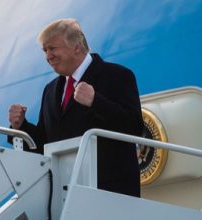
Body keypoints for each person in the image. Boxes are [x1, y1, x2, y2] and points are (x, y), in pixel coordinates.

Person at [8, 18, 143, 197]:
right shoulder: (50, 91)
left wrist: (96, 102)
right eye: (45, 50)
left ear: (77, 47)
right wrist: (21, 128)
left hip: (111, 196)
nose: (48, 56)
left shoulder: (117, 75)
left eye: (53, 48)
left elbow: (134, 128)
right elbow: (45, 145)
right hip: (64, 196)